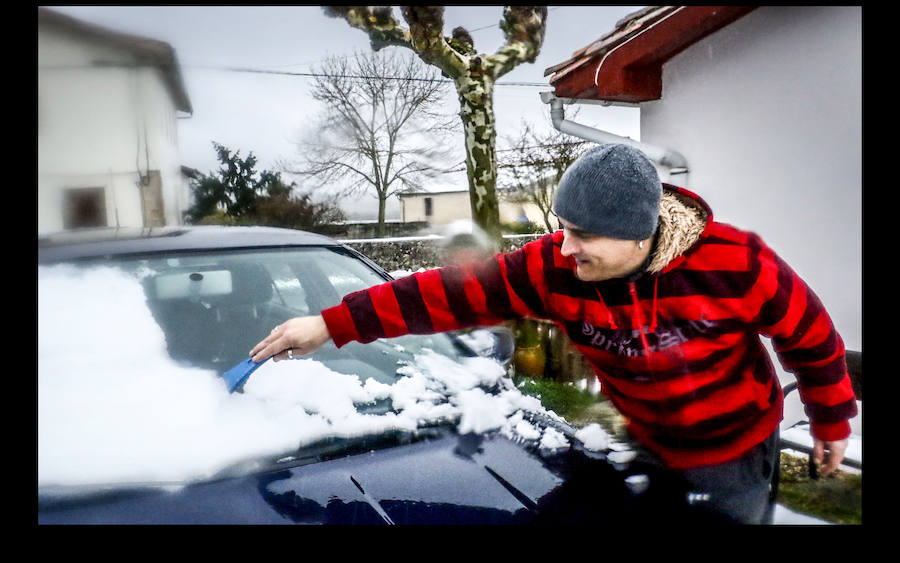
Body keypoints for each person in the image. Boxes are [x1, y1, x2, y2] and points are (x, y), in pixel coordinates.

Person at [250, 143, 858, 524]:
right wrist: (332, 323)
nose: (565, 246)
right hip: (645, 442)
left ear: (639, 234)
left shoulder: (737, 262)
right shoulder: (552, 267)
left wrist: (831, 421)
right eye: (562, 227)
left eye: (583, 234)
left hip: (734, 451)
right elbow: (448, 293)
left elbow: (812, 338)